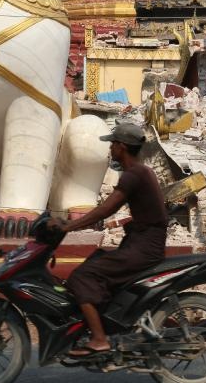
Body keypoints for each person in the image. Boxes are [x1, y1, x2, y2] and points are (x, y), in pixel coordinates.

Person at [57, 122, 168, 357]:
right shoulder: (141, 171)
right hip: (142, 244)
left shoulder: (133, 175)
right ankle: (106, 324)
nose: (110, 149)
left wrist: (68, 227)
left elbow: (105, 209)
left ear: (121, 147)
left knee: (82, 276)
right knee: (96, 259)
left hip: (143, 248)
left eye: (112, 144)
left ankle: (99, 339)